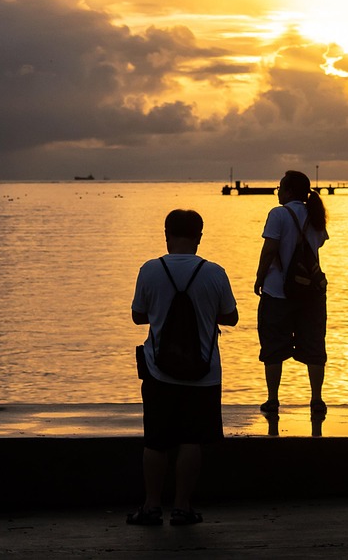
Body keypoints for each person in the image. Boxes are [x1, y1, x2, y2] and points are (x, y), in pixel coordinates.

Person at [127, 208, 238, 527]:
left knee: (156, 441)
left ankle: (151, 507)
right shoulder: (214, 272)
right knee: (192, 440)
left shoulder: (150, 270)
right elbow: (231, 317)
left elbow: (138, 316)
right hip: (204, 374)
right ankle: (182, 508)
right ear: (199, 237)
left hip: (158, 371)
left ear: (167, 235)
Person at [253, 170, 329, 416]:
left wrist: (259, 277)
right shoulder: (315, 214)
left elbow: (269, 250)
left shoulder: (278, 214)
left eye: (280, 187)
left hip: (277, 291)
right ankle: (316, 399)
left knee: (273, 346)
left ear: (288, 191)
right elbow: (319, 244)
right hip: (311, 292)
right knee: (314, 345)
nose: (277, 192)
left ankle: (273, 399)